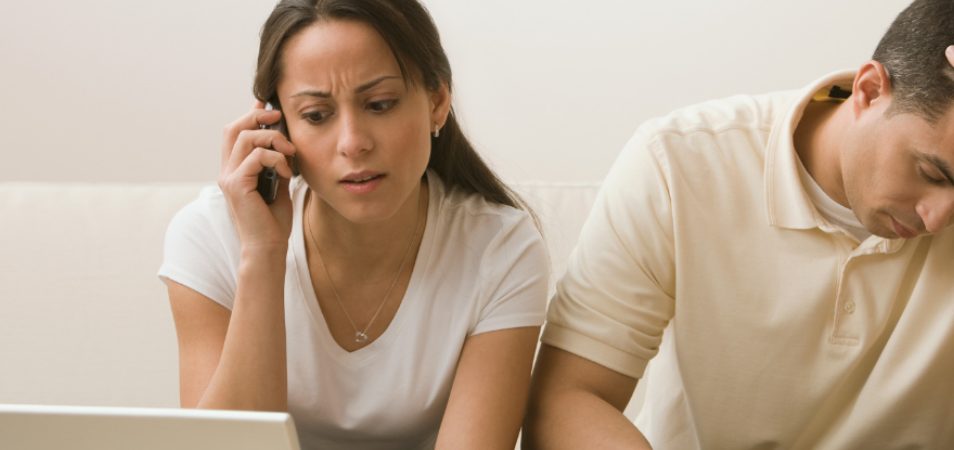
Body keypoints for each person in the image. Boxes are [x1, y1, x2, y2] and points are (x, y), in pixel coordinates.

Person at [523, 0, 954, 448]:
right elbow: (566, 399)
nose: (940, 218)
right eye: (932, 174)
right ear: (868, 90)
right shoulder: (678, 163)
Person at [158, 1, 549, 448]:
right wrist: (262, 254)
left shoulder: (501, 249)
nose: (353, 143)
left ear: (438, 102)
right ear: (276, 123)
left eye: (380, 104)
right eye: (316, 116)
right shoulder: (210, 236)